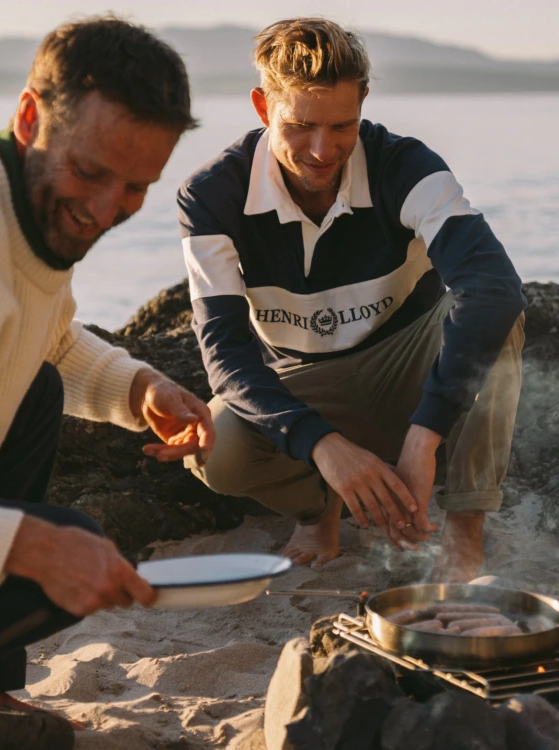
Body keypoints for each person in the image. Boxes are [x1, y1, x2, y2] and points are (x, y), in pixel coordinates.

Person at [178, 18, 525, 582]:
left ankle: (465, 528)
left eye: (343, 126)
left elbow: (492, 286)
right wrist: (323, 446)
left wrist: (423, 438)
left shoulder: (406, 166)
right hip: (303, 380)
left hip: (406, 367)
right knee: (214, 450)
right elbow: (224, 353)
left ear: (364, 102)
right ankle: (318, 511)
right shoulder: (211, 195)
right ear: (263, 109)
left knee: (500, 316)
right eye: (300, 125)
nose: (322, 150)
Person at [0, 16, 214, 728]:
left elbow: (49, 342)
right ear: (29, 115)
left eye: (136, 187)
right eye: (90, 171)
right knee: (63, 545)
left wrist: (140, 389)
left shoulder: (22, 216)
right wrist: (29, 545)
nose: (106, 211)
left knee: (35, 391)